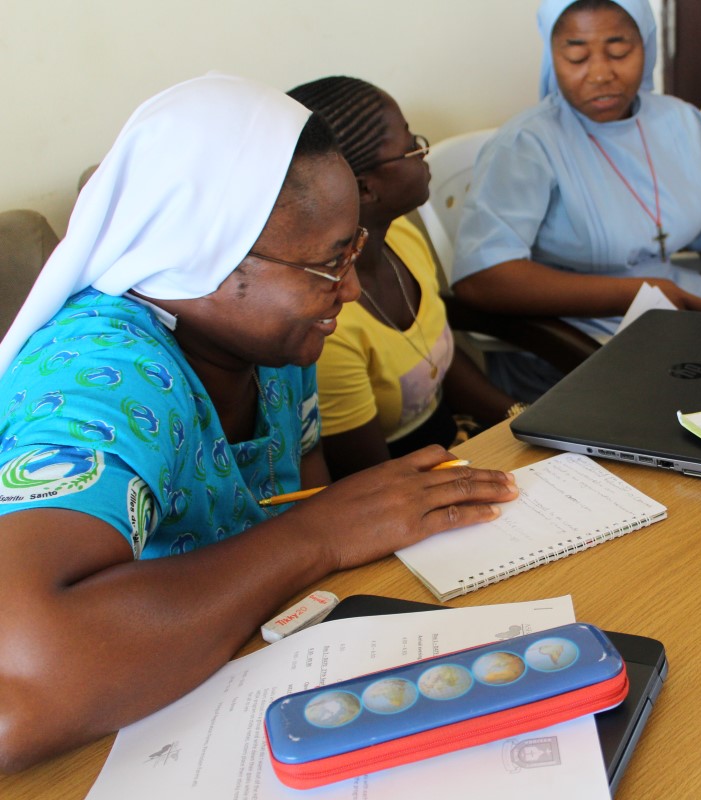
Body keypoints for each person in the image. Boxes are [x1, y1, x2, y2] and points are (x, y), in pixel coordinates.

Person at [0, 74, 518, 773]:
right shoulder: (107, 377)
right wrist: (319, 534)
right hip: (112, 742)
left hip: (247, 682)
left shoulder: (273, 340)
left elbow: (297, 495)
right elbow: (22, 680)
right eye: (331, 262)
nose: (353, 289)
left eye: (353, 252)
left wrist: (322, 536)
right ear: (205, 255)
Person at [451, 0, 701, 400]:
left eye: (619, 51)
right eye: (576, 54)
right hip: (571, 341)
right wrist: (639, 290)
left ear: (645, 46)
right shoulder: (527, 144)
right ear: (552, 55)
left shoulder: (680, 121)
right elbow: (481, 280)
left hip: (677, 312)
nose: (599, 74)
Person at [286, 76, 522, 480]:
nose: (424, 153)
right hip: (396, 482)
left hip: (457, 444)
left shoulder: (403, 238)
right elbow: (375, 479)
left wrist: (523, 418)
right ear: (363, 188)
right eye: (411, 147)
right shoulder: (330, 323)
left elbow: (438, 357)